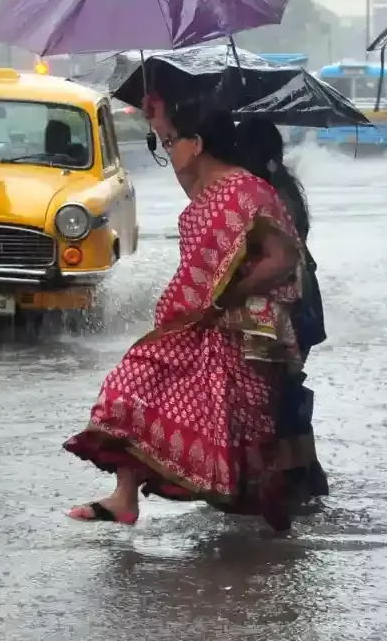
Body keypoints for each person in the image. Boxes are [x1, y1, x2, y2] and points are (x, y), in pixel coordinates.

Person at [63, 105, 304, 531]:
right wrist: (157, 114)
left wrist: (228, 296)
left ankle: (271, 526)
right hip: (188, 325)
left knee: (243, 431)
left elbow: (284, 259)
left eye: (172, 143)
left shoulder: (250, 191)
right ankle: (124, 498)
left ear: (196, 145)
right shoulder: (203, 199)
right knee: (132, 388)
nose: (166, 151)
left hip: (241, 330)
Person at [235, 118, 330, 505]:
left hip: (288, 305)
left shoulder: (269, 197)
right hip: (301, 303)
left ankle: (294, 477)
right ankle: (302, 475)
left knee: (278, 390)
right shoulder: (284, 188)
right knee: (285, 387)